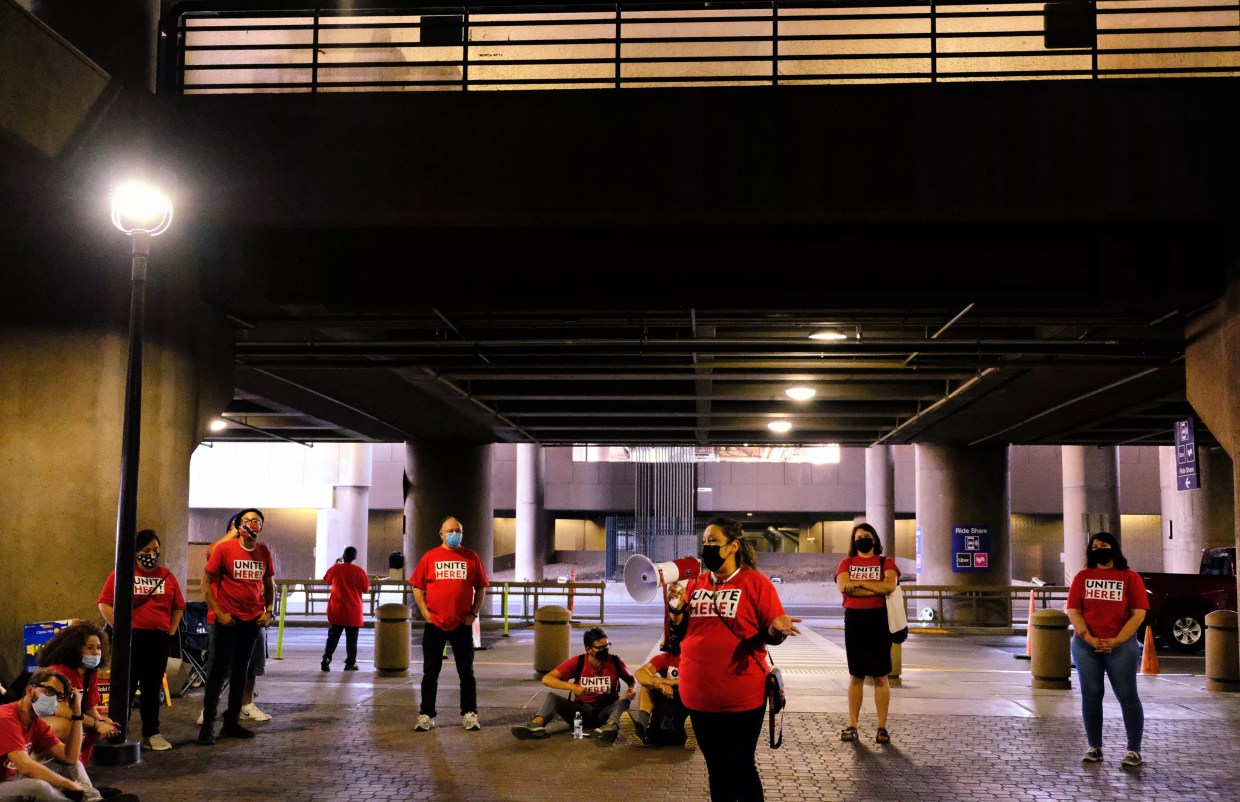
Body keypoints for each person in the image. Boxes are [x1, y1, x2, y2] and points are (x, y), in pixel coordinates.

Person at [666, 517, 800, 802]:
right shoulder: (695, 584)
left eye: (713, 541)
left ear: (733, 546)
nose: (707, 547)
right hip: (698, 695)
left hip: (740, 696)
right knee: (716, 770)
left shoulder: (756, 583)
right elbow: (680, 634)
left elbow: (772, 631)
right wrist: (676, 611)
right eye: (704, 542)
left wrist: (777, 629)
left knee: (740, 767)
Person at [97, 529, 185, 752]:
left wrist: (170, 631)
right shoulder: (123, 573)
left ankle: (151, 733)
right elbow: (105, 603)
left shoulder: (166, 575)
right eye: (146, 550)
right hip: (130, 640)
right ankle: (118, 731)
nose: (152, 554)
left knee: (151, 688)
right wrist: (121, 629)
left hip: (157, 640)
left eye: (156, 550)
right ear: (135, 552)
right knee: (125, 688)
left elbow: (178, 605)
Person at [1065, 531, 1149, 767]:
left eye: (1104, 545)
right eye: (1095, 546)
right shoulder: (1082, 577)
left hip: (1121, 645)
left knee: (1127, 695)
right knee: (1091, 696)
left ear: (1114, 548)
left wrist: (1116, 640)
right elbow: (1074, 611)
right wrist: (1089, 638)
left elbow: (1138, 614)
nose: (1099, 549)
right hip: (1086, 645)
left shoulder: (1130, 577)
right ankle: (1094, 747)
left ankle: (1134, 750)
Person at [0, 668, 140, 802]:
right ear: (30, 690)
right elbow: (26, 766)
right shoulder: (5, 718)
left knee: (70, 765)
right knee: (37, 787)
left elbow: (71, 757)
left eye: (59, 696)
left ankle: (93, 799)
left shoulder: (36, 723)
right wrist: (67, 783)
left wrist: (77, 714)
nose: (54, 699)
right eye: (49, 691)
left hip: (15, 778)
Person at [198, 508, 275, 745]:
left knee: (241, 673)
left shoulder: (263, 552)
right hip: (227, 620)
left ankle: (231, 722)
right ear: (238, 525)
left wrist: (269, 611)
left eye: (256, 521)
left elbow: (269, 582)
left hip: (251, 621)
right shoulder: (224, 549)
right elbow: (206, 582)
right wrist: (219, 613)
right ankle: (208, 726)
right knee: (218, 673)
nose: (252, 524)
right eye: (247, 520)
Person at [409, 516, 489, 732]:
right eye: (451, 530)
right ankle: (426, 714)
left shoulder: (471, 557)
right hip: (435, 623)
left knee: (466, 672)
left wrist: (474, 613)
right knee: (430, 672)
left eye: (458, 530)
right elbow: (417, 585)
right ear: (442, 534)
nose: (455, 534)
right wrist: (425, 613)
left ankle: (469, 713)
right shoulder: (430, 557)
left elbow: (481, 587)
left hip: (462, 625)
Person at [511, 627, 636, 743]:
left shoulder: (615, 661)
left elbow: (630, 679)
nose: (605, 650)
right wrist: (572, 687)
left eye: (607, 646)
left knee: (624, 701)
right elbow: (547, 679)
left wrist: (632, 688)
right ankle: (535, 725)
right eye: (600, 648)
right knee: (552, 697)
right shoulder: (578, 661)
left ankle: (610, 728)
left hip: (606, 712)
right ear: (589, 650)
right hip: (581, 713)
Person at [836, 522, 899, 745]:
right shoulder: (846, 562)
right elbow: (844, 586)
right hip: (855, 620)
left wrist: (860, 583)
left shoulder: (886, 562)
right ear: (854, 542)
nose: (862, 538)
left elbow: (889, 587)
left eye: (867, 535)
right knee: (856, 676)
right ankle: (853, 725)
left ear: (874, 539)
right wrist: (874, 585)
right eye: (858, 536)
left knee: (881, 675)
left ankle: (882, 728)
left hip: (879, 621)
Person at [35, 622, 118, 767]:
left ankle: (75, 769)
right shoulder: (58, 672)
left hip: (71, 717)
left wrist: (102, 722)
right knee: (69, 726)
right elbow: (60, 710)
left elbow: (91, 708)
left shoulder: (89, 673)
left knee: (96, 725)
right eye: (89, 648)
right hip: (41, 722)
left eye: (98, 648)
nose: (96, 652)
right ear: (75, 649)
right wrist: (96, 724)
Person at [631, 635, 687, 747]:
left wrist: (668, 682)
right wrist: (658, 684)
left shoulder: (697, 660)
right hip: (667, 702)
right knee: (646, 686)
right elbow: (640, 673)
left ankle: (693, 731)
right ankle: (641, 726)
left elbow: (699, 680)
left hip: (686, 702)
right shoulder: (665, 658)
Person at [321, 546, 371, 671]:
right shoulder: (359, 571)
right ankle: (350, 663)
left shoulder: (336, 569)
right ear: (354, 557)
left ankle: (326, 659)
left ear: (343, 556)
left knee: (333, 637)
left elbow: (327, 580)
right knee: (352, 640)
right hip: (353, 611)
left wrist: (335, 564)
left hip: (336, 609)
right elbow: (366, 588)